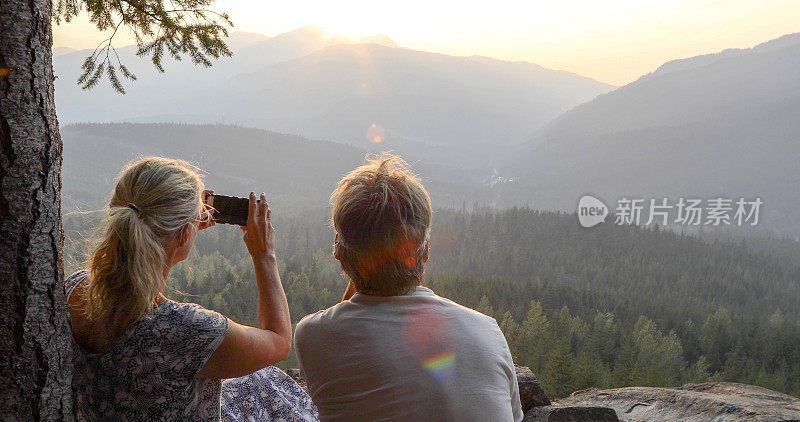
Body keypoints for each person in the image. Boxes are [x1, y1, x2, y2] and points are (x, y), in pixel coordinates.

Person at [64, 157, 317, 421]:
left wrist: (184, 228)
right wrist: (264, 255)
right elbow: (278, 341)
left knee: (259, 382)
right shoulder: (185, 330)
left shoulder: (75, 290)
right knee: (269, 384)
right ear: (185, 234)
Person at [293, 154, 523, 421]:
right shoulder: (487, 330)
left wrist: (362, 260)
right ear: (425, 252)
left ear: (338, 252)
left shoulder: (313, 335)